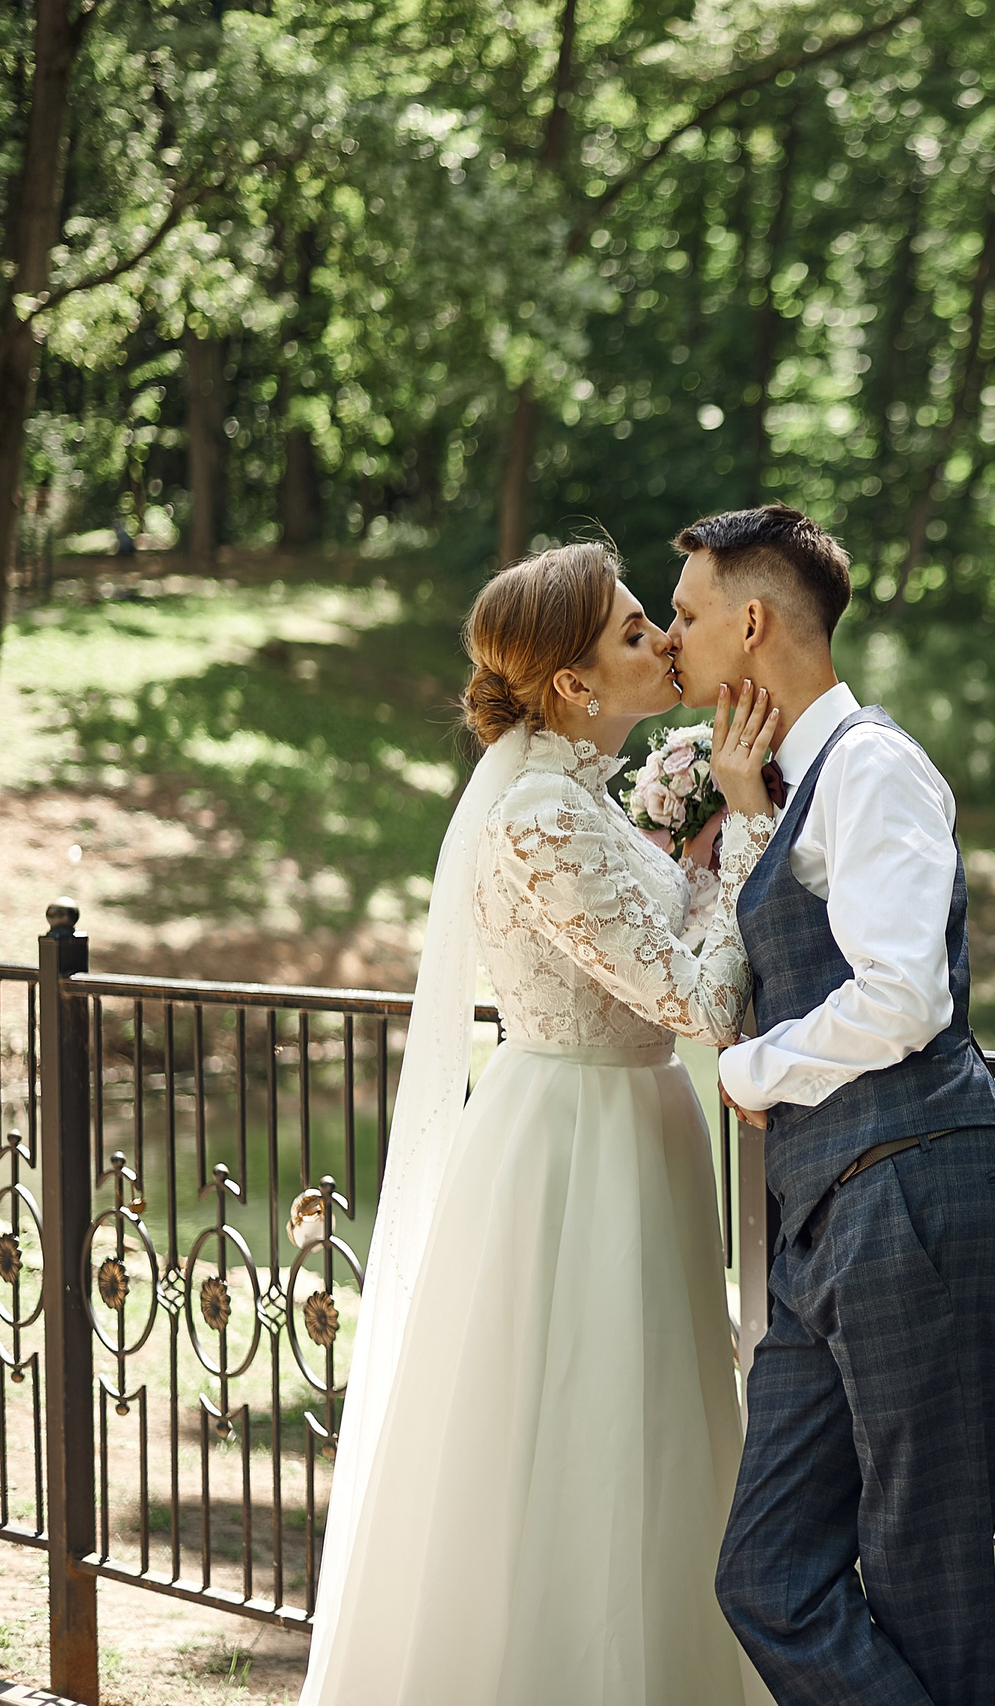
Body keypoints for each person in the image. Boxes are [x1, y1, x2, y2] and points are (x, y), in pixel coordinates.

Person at [299, 542, 782, 1705]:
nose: (663, 641)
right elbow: (697, 999)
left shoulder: (586, 807)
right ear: (572, 684)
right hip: (576, 1143)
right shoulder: (535, 821)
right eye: (632, 631)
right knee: (580, 1423)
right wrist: (749, 829)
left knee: (651, 1431)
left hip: (634, 1120)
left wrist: (693, 854)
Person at [666, 506, 995, 1706]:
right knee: (766, 1571)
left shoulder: (874, 764)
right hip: (831, 1221)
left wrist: (747, 1071)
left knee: (926, 1590)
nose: (673, 639)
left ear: (753, 620)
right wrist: (749, 810)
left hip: (914, 1199)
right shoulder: (804, 783)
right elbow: (814, 937)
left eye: (685, 614)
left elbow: (903, 995)